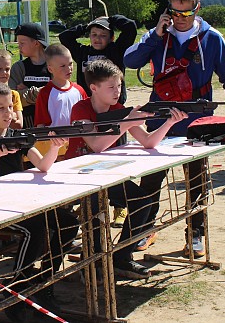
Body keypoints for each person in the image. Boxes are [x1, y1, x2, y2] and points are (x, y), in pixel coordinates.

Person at [123, 0, 225, 258]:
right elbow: (130, 61)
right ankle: (144, 230)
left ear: (197, 8)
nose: (179, 19)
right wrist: (155, 34)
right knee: (151, 182)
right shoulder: (158, 35)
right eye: (174, 13)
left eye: (185, 13)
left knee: (197, 181)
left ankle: (196, 233)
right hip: (159, 120)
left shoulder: (212, 38)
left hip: (196, 121)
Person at [65, 59, 187, 278]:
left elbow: (148, 142)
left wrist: (168, 123)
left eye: (119, 86)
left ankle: (121, 256)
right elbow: (96, 146)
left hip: (106, 174)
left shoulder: (118, 110)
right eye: (111, 87)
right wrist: (127, 122)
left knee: (143, 202)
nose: (117, 91)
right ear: (94, 88)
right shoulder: (80, 109)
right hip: (79, 176)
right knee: (94, 210)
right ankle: (92, 262)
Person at [0, 82, 78, 320]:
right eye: (1, 108)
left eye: (10, 106)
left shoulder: (17, 136)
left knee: (69, 223)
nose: (8, 113)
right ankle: (18, 289)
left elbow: (42, 165)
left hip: (21, 201)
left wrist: (52, 148)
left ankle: (41, 280)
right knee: (35, 230)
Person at [58, 14, 137, 102]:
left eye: (103, 35)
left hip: (113, 105)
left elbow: (130, 27)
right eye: (94, 34)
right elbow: (64, 37)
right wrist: (86, 26)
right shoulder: (82, 52)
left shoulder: (117, 50)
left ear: (112, 38)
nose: (97, 39)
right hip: (88, 103)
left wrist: (110, 19)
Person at [8, 22, 51, 127]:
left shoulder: (55, 63)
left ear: (36, 43)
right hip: (28, 125)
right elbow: (13, 100)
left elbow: (58, 94)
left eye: (22, 43)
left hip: (52, 123)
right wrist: (42, 91)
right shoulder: (18, 68)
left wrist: (26, 91)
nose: (19, 47)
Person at [34, 43, 87, 127]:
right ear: (50, 69)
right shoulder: (45, 93)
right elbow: (40, 125)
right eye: (63, 66)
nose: (69, 69)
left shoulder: (79, 90)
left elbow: (87, 116)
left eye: (70, 64)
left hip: (77, 139)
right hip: (54, 139)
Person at [0, 49, 23, 129]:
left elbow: (19, 124)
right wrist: (11, 116)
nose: (4, 73)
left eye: (7, 69)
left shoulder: (14, 94)